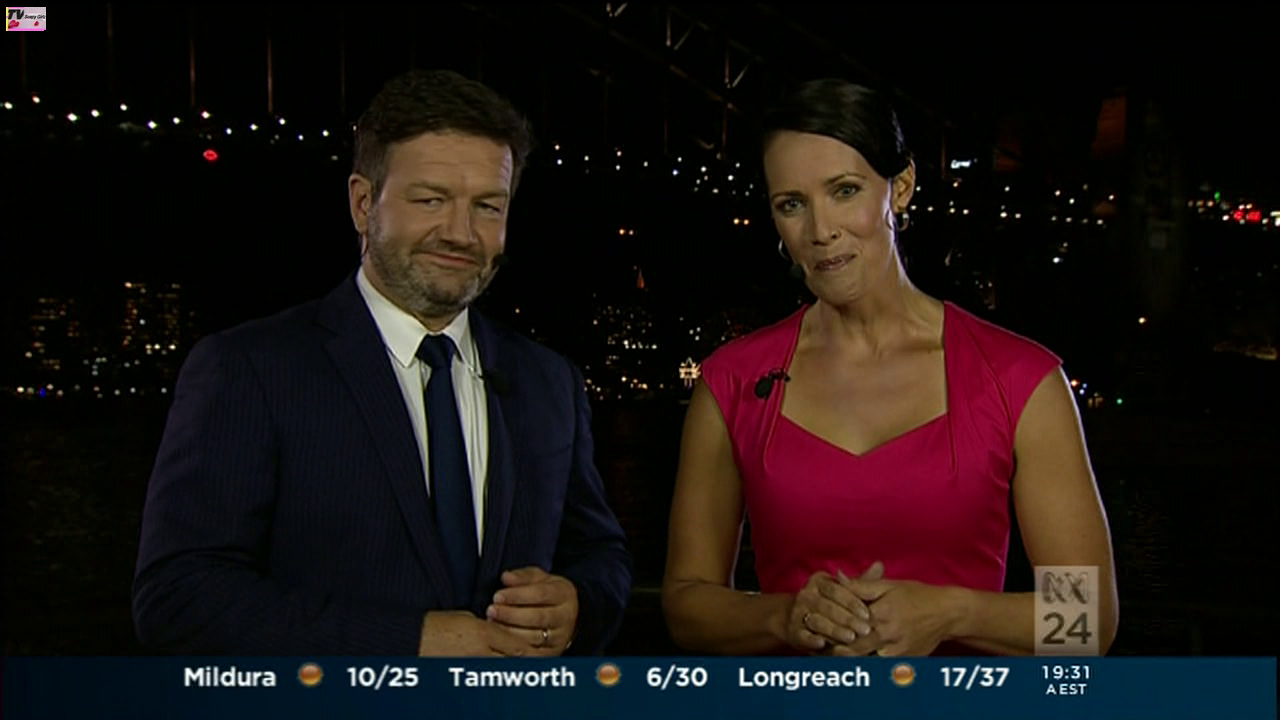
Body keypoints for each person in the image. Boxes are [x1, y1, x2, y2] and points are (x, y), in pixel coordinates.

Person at [133, 69, 632, 656]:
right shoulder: (249, 369)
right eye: (430, 200)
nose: (461, 233)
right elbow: (178, 599)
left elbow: (600, 557)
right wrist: (412, 641)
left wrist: (576, 605)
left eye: (487, 207)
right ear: (362, 203)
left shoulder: (550, 381)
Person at [661, 79, 1118, 657]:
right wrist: (783, 616)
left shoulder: (1019, 380)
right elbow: (686, 609)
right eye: (792, 204)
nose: (820, 231)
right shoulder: (731, 383)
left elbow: (1090, 625)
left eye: (844, 191)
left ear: (899, 188)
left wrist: (950, 613)